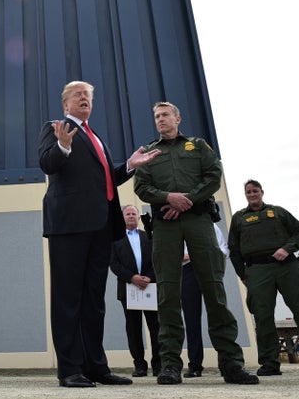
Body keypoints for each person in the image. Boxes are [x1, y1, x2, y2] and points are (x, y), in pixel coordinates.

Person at [38, 81, 160, 388]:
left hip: (101, 227)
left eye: (88, 96)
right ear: (65, 104)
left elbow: (103, 181)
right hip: (69, 226)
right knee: (68, 299)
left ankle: (96, 367)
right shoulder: (55, 128)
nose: (84, 99)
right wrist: (63, 145)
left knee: (94, 300)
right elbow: (47, 162)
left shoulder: (96, 138)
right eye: (77, 95)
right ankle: (70, 369)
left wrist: (129, 166)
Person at [133, 101, 258, 385]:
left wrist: (186, 200)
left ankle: (231, 364)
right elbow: (141, 187)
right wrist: (168, 198)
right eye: (156, 116)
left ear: (178, 118)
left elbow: (213, 176)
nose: (160, 119)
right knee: (166, 294)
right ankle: (170, 365)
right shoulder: (149, 153)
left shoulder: (198, 146)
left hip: (199, 221)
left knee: (214, 290)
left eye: (165, 114)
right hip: (165, 225)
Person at [228, 179, 299, 376]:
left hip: (288, 267)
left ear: (262, 192)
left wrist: (287, 248)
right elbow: (234, 250)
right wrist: (243, 275)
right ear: (245, 195)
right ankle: (270, 363)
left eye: (255, 191)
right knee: (262, 316)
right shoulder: (239, 218)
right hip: (257, 270)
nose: (252, 195)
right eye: (248, 192)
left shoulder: (278, 212)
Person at [110, 204, 161, 378]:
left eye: (134, 214)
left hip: (149, 287)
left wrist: (149, 277)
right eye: (128, 214)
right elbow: (114, 264)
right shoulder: (115, 239)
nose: (131, 216)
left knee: (156, 327)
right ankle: (139, 365)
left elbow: (157, 259)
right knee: (133, 328)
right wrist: (132, 277)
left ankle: (158, 365)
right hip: (128, 289)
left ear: (138, 218)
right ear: (123, 218)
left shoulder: (149, 237)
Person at [181, 223, 229, 378]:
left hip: (209, 269)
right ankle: (195, 365)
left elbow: (223, 249)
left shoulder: (209, 224)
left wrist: (202, 256)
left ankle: (227, 363)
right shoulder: (177, 226)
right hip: (187, 271)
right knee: (191, 319)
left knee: (218, 315)